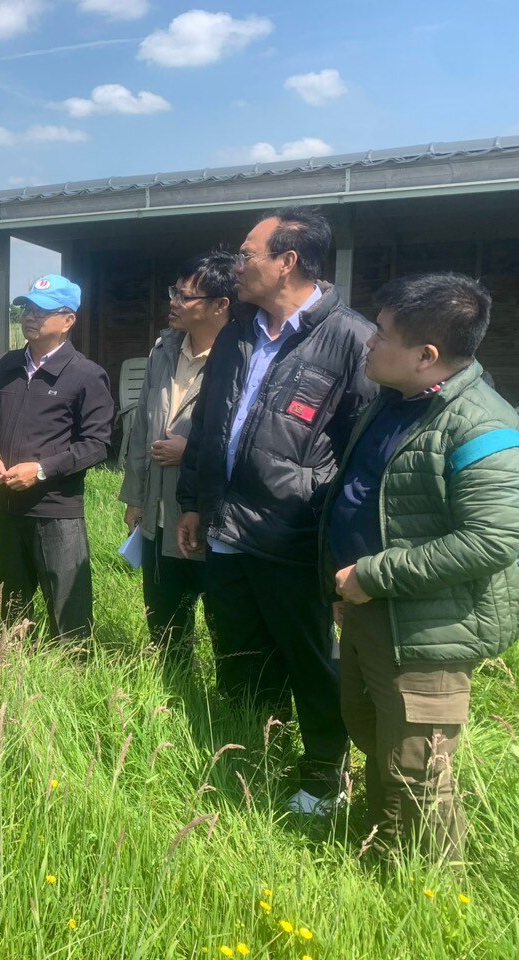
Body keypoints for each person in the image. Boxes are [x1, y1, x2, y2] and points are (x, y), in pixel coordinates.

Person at [176, 207, 377, 816]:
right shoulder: (239, 330)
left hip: (296, 536)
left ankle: (323, 778)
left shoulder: (352, 340)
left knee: (310, 660)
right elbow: (210, 422)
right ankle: (247, 757)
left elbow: (363, 458)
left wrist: (347, 550)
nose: (237, 265)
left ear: (287, 262)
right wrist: (192, 502)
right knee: (237, 651)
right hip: (227, 527)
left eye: (247, 254)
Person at [322, 273, 519, 865]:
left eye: (380, 335)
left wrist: (372, 575)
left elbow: (493, 539)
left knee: (420, 769)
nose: (367, 343)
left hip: (428, 630)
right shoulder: (395, 399)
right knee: (372, 733)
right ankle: (383, 849)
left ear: (426, 356)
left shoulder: (483, 425)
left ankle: (433, 891)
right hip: (369, 612)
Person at [0, 275, 113, 645]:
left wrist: (42, 470)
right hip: (7, 507)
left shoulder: (85, 375)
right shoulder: (4, 367)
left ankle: (71, 681)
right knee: (13, 608)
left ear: (68, 320)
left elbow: (98, 444)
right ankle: (14, 675)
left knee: (69, 614)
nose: (30, 317)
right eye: (28, 308)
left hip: (56, 512)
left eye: (42, 311)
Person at [119, 252, 235, 667]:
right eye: (175, 292)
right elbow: (139, 432)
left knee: (224, 626)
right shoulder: (163, 351)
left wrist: (192, 453)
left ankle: (225, 706)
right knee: (165, 624)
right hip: (158, 513)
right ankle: (170, 689)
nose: (173, 302)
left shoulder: (241, 358)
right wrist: (135, 497)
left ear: (220, 305)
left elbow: (249, 436)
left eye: (185, 296)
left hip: (211, 516)